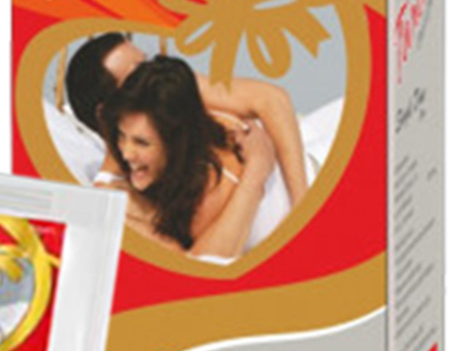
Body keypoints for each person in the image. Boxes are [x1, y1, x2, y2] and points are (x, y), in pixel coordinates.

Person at [66, 34, 309, 209]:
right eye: (136, 73)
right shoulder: (122, 188)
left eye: (146, 63)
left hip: (302, 174)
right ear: (106, 112)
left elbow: (272, 99)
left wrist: (302, 207)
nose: (153, 72)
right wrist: (255, 173)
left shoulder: (174, 90)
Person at [99, 56, 280, 260]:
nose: (126, 153)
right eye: (122, 136)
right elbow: (103, 185)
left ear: (175, 143)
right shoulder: (164, 127)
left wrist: (256, 172)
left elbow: (200, 264)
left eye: (142, 143)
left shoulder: (210, 188)